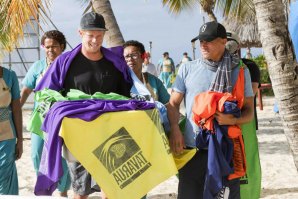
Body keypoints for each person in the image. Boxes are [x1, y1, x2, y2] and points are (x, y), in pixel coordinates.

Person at [34, 11, 132, 199]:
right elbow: (47, 94)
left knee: (111, 188)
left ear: (104, 34)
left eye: (99, 35)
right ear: (80, 33)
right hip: (78, 134)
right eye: (90, 35)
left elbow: (125, 97)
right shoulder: (65, 62)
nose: (95, 40)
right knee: (80, 191)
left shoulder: (115, 63)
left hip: (110, 131)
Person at [167, 21, 254, 199]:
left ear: (223, 41)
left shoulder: (239, 71)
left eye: (209, 40)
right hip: (192, 150)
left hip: (226, 150)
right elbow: (173, 104)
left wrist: (232, 120)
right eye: (201, 41)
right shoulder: (187, 68)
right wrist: (175, 129)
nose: (203, 45)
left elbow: (249, 112)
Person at [20, 30, 70, 197]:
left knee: (58, 156)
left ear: (62, 47)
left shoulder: (68, 66)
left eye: (54, 46)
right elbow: (26, 90)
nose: (50, 50)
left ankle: (63, 189)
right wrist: (17, 109)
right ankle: (44, 188)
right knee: (36, 154)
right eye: (46, 47)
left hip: (61, 119)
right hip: (39, 118)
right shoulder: (38, 66)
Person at [226, 31, 262, 199]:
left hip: (245, 121)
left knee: (247, 161)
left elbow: (252, 91)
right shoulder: (217, 65)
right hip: (224, 122)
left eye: (231, 43)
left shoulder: (249, 66)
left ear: (238, 45)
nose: (228, 46)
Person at [0, 66, 23, 195]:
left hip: (7, 135)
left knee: (4, 177)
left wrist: (20, 140)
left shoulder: (10, 75)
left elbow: (16, 109)